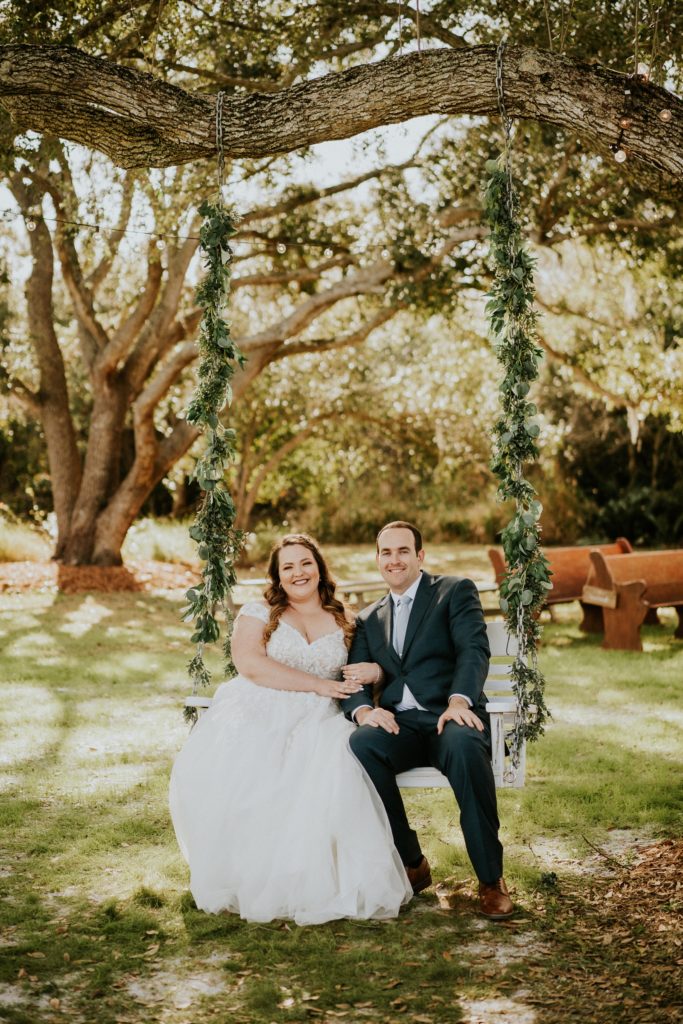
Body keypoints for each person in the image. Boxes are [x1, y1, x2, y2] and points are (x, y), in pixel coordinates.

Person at [169, 533, 412, 926]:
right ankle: (255, 876)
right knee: (258, 770)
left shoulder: (347, 620)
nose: (299, 572)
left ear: (319, 568)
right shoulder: (258, 612)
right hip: (261, 706)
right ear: (277, 577)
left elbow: (375, 670)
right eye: (288, 566)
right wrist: (319, 684)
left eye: (306, 563)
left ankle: (322, 877)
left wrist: (377, 671)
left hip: (322, 717)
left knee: (333, 765)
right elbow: (250, 664)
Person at [341, 521, 514, 920]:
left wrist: (459, 700)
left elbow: (473, 649)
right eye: (386, 553)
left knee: (466, 745)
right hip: (401, 724)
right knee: (362, 744)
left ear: (420, 556)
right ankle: (413, 861)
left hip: (448, 717)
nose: (394, 560)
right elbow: (353, 677)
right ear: (378, 560)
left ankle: (491, 880)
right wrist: (366, 710)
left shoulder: (453, 592)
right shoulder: (369, 618)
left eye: (403, 551)